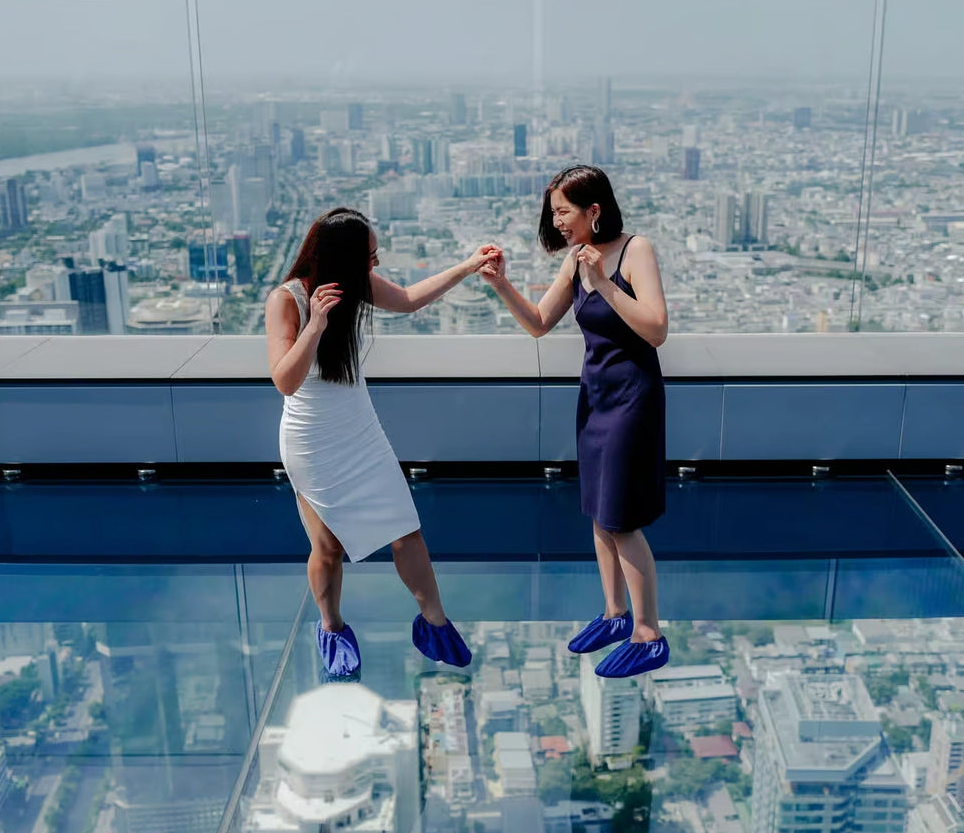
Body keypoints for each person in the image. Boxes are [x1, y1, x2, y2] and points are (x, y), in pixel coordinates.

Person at [266, 207, 500, 678]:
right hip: (311, 441)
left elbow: (411, 299)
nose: (374, 265)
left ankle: (435, 623)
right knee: (327, 547)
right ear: (340, 258)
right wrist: (315, 325)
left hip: (359, 432)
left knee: (405, 531)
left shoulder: (357, 285)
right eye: (368, 257)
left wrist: (467, 265)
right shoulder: (286, 299)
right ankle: (332, 628)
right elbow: (285, 380)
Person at [480, 165, 670, 678]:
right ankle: (614, 613)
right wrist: (501, 285)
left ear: (594, 209)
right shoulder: (574, 260)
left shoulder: (636, 251)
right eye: (554, 212)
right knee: (598, 510)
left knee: (620, 517)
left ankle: (648, 634)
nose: (557, 221)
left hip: (633, 398)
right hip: (595, 397)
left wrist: (603, 284)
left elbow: (656, 330)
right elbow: (539, 323)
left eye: (563, 211)